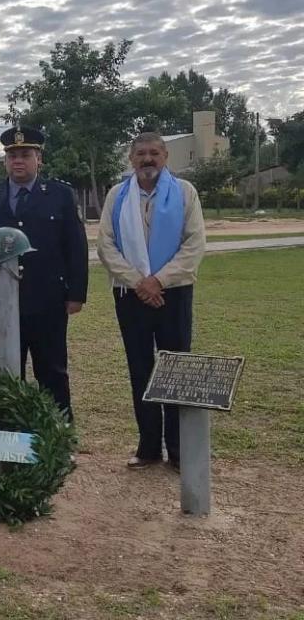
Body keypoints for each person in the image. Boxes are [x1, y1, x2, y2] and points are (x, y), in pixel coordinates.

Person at [97, 131, 206, 471]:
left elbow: (194, 245)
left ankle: (178, 449)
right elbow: (106, 245)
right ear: (131, 159)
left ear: (165, 157)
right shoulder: (117, 195)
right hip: (130, 294)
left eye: (154, 153)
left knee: (174, 369)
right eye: (141, 154)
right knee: (140, 369)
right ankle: (147, 447)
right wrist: (139, 282)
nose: (147, 159)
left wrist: (158, 280)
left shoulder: (185, 192)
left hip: (173, 292)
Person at [0, 126, 88, 420]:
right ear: (5, 161)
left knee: (53, 371)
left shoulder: (60, 194)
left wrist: (76, 294)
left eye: (25, 155)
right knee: (8, 371)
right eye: (12, 155)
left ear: (39, 159)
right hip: (1, 302)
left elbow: (76, 247)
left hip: (47, 299)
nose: (18, 160)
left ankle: (59, 435)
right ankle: (13, 435)